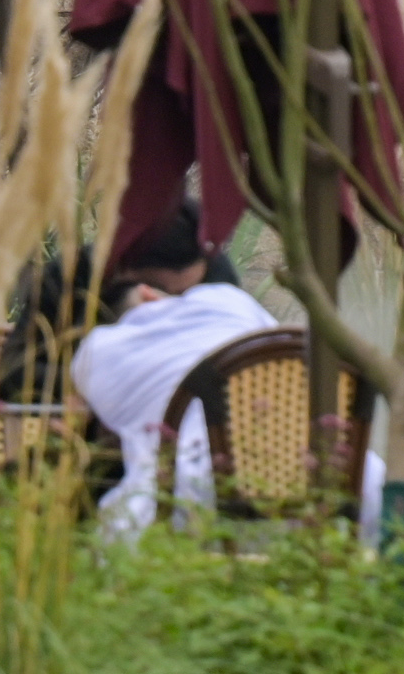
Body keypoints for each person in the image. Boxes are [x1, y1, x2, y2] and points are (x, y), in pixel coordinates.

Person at [64, 203, 281, 530]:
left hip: (182, 507)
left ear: (147, 293)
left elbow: (78, 417)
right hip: (313, 489)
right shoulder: (236, 303)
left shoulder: (99, 350)